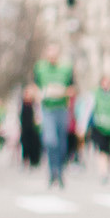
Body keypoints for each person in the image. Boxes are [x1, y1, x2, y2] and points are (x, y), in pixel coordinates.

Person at [32, 44, 74, 188]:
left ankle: (60, 171)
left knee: (61, 143)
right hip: (47, 109)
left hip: (61, 108)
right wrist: (41, 94)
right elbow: (34, 87)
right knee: (50, 141)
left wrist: (61, 92)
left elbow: (73, 88)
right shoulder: (40, 68)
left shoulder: (66, 68)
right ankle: (52, 171)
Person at [17, 84, 43, 170]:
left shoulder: (35, 104)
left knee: (34, 145)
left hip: (34, 128)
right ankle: (25, 160)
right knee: (25, 145)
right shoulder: (23, 104)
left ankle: (34, 161)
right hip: (25, 128)